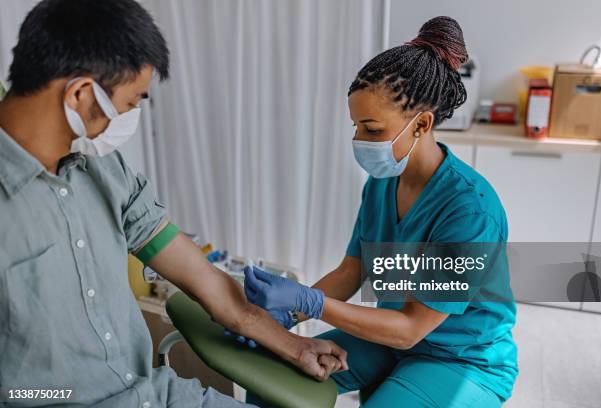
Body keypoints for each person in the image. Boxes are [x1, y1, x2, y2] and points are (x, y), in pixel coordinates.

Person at [0, 1, 347, 407]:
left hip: (155, 395)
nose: (126, 121)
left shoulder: (106, 170)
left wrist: (295, 347)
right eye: (129, 105)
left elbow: (210, 287)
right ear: (79, 94)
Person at [243, 16, 518, 407]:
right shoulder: (382, 183)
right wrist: (284, 317)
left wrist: (311, 302)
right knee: (270, 380)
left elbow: (410, 328)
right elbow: (350, 271)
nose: (359, 140)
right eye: (356, 127)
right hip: (390, 339)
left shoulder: (469, 210)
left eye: (371, 130)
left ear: (421, 124)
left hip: (461, 358)